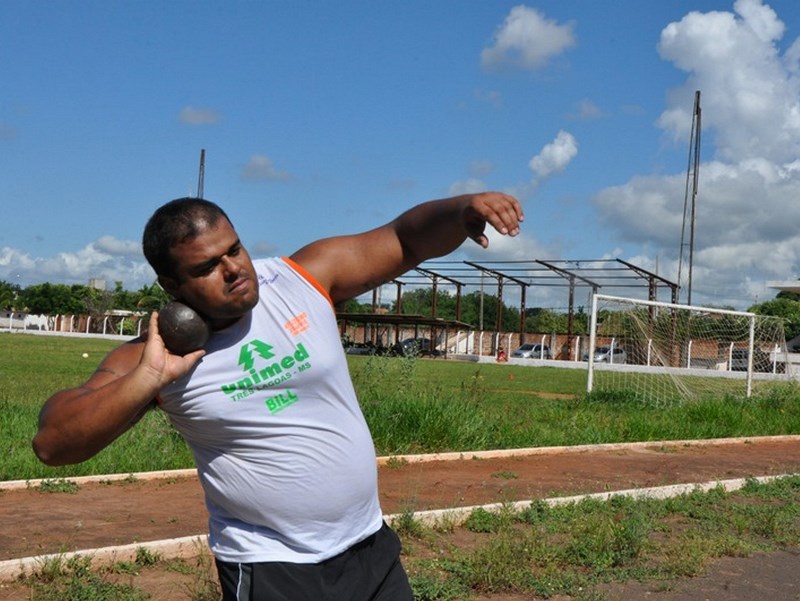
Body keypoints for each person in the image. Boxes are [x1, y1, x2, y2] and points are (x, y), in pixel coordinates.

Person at [32, 191, 523, 600]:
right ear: (171, 285)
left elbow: (402, 238)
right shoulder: (151, 357)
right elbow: (53, 442)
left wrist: (460, 211)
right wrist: (148, 379)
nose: (232, 269)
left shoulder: (301, 278)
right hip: (272, 570)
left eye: (234, 249)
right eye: (206, 266)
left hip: (369, 547)